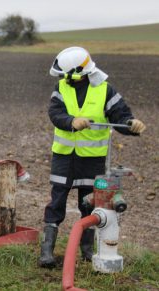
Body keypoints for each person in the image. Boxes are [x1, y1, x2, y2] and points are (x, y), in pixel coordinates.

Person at [38, 47, 146, 268]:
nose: (61, 78)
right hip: (64, 158)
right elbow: (55, 114)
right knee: (56, 203)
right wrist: (71, 121)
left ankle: (87, 252)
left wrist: (132, 125)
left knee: (88, 206)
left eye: (64, 74)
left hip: (92, 160)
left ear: (79, 72)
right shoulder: (60, 88)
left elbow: (122, 116)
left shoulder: (105, 90)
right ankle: (46, 252)